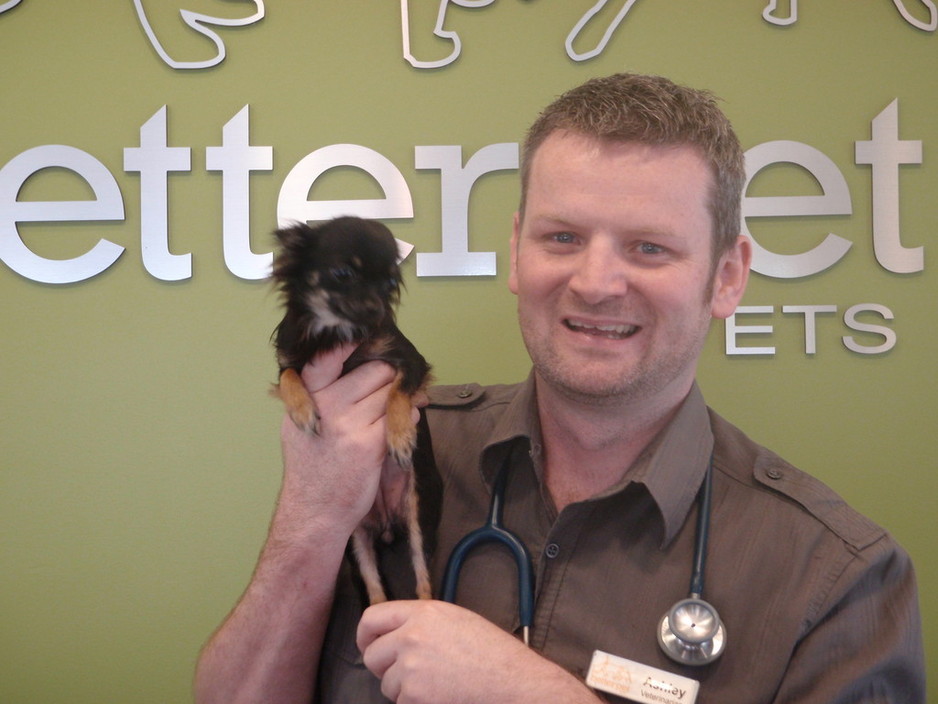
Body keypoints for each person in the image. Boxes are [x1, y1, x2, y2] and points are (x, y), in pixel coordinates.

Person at [193, 73, 925, 703]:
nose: (595, 283)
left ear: (727, 275)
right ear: (516, 252)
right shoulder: (392, 447)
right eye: (562, 238)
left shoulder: (837, 579)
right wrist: (312, 518)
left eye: (649, 247)